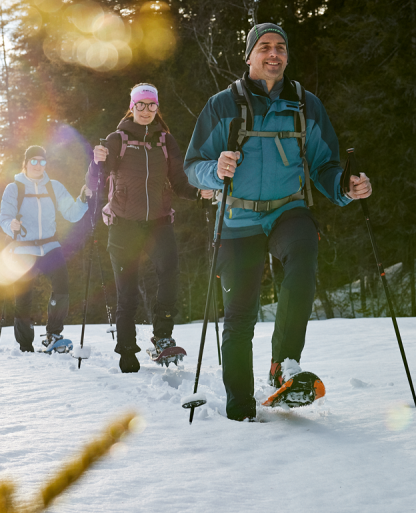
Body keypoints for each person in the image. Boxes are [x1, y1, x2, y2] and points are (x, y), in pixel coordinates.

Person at [183, 23, 373, 421]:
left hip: (288, 208)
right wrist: (214, 168)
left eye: (281, 48)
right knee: (240, 312)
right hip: (238, 213)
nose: (274, 54)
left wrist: (345, 186)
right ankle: (239, 406)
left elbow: (325, 165)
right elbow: (192, 166)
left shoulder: (306, 105)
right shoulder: (222, 105)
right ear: (249, 55)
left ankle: (284, 365)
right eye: (265, 47)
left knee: (303, 262)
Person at [88, 83, 213, 373]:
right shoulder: (116, 139)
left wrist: (198, 193)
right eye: (141, 105)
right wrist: (96, 163)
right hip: (123, 225)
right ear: (132, 107)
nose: (146, 110)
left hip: (158, 222)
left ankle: (163, 337)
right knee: (127, 291)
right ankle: (127, 349)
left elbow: (180, 181)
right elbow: (96, 180)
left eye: (151, 105)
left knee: (169, 275)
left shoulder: (165, 142)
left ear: (157, 108)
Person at [0, 145, 88, 353]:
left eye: (42, 161)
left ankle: (54, 334)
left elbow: (71, 213)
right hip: (23, 249)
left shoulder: (54, 187)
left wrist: (83, 199)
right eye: (34, 161)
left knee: (62, 287)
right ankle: (25, 345)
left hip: (49, 246)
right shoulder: (14, 188)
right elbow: (5, 217)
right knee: (23, 298)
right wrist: (11, 225)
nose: (38, 165)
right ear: (26, 163)